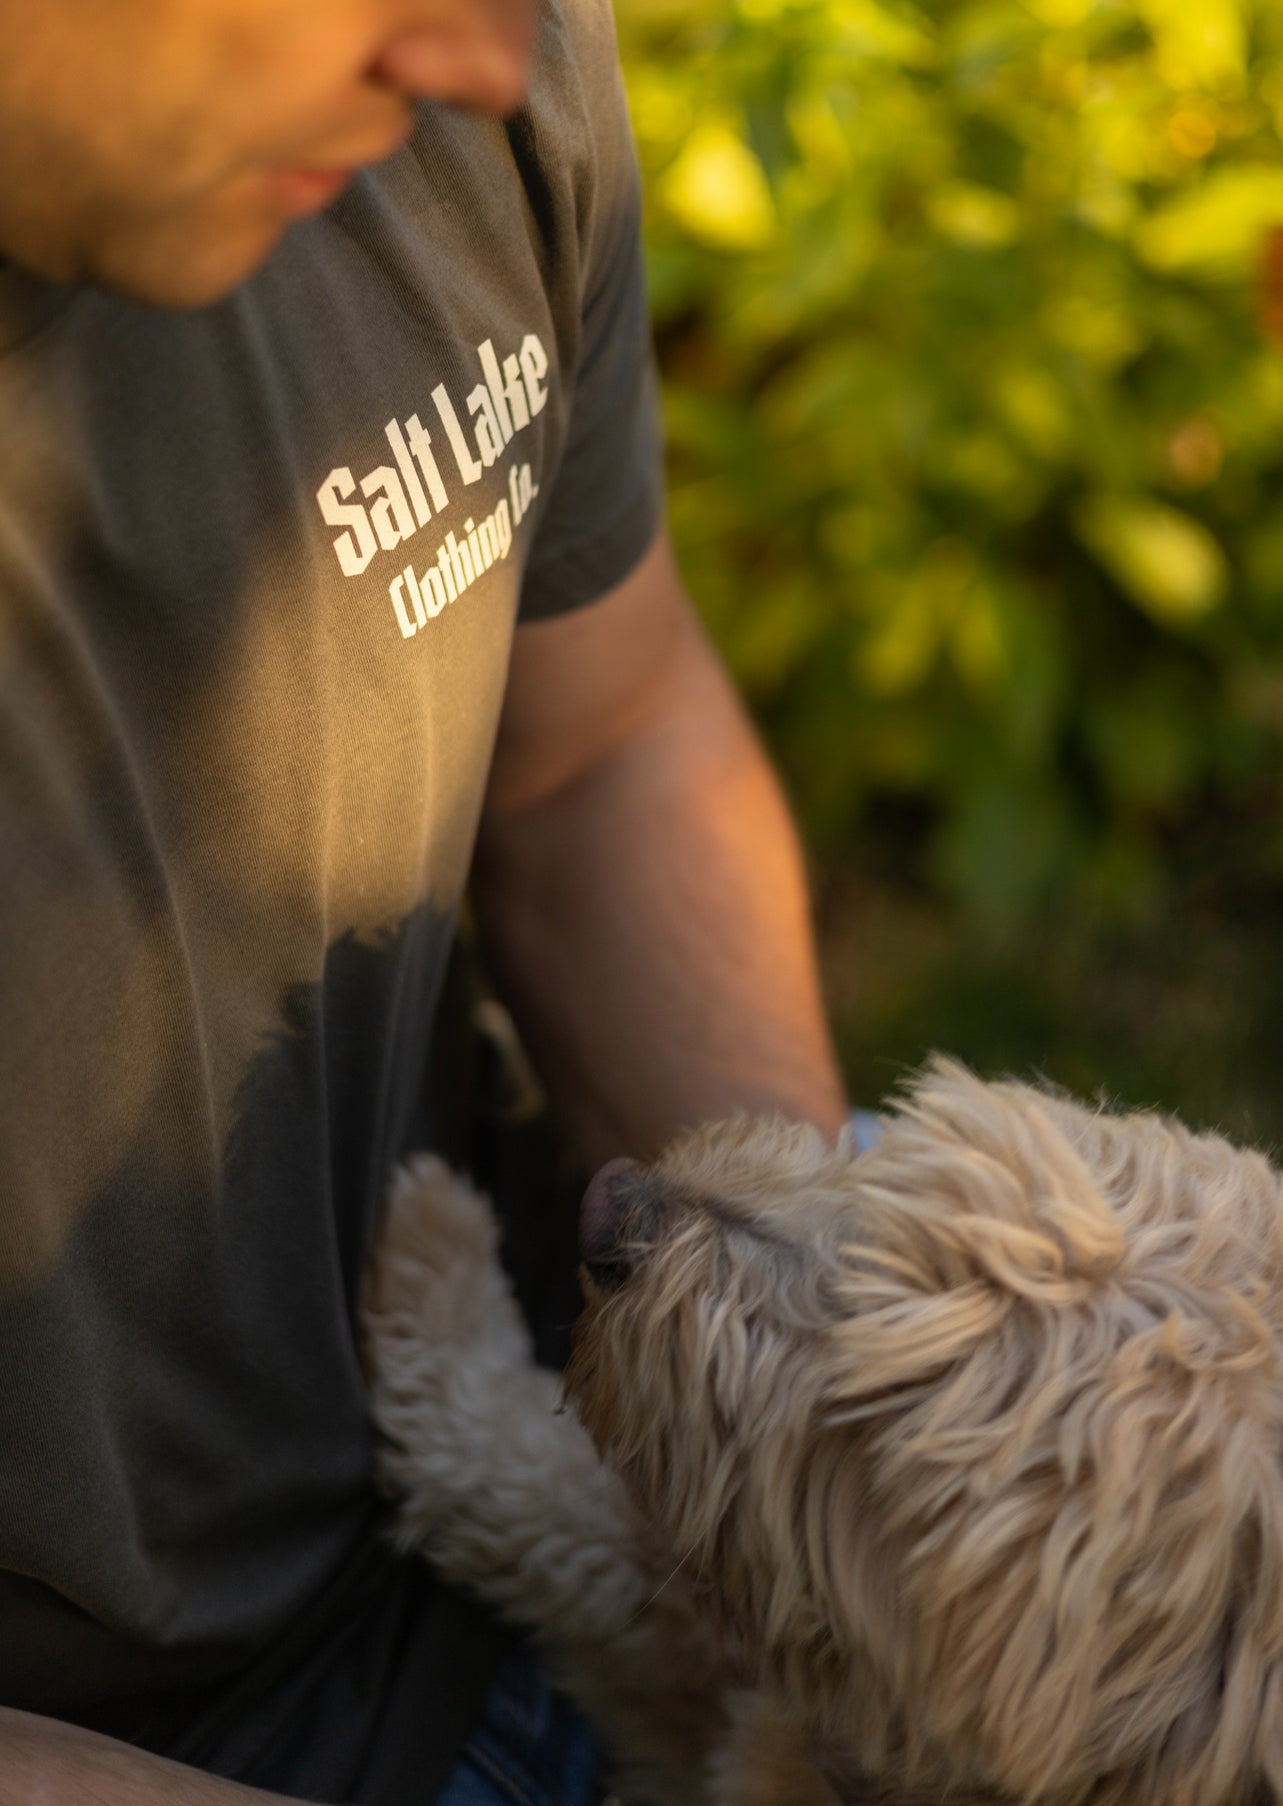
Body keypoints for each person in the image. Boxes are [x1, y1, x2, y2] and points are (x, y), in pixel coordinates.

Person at [0, 3, 848, 1804]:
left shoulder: (467, 61)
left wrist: (820, 1405)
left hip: (545, 1541)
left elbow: (598, 747)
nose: (484, 63)